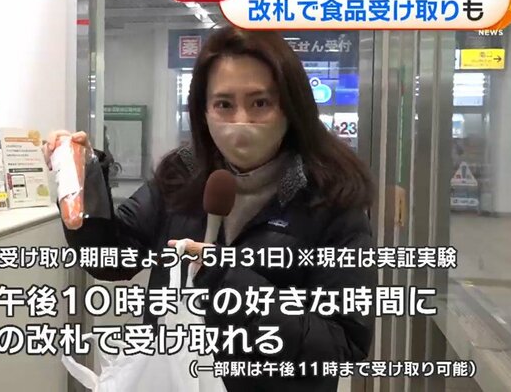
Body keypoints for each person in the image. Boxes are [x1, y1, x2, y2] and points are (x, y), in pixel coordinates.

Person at [44, 26, 377, 392]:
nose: (241, 121)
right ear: (203, 112)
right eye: (224, 104)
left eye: (260, 103)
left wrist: (228, 282)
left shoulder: (331, 200)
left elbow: (343, 345)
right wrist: (83, 180)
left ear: (290, 108)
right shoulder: (180, 175)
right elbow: (111, 257)